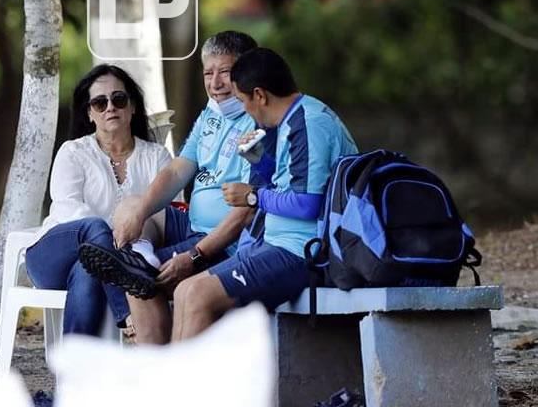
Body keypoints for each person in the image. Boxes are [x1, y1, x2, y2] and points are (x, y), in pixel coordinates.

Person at [77, 31, 259, 345]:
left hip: (224, 241)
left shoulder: (257, 121)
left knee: (138, 278)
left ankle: (154, 368)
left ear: (247, 72)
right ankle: (140, 255)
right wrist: (141, 212)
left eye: (225, 73)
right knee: (131, 208)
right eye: (208, 73)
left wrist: (194, 255)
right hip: (192, 225)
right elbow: (177, 169)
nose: (215, 83)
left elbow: (244, 214)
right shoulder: (212, 114)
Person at [171, 48, 358, 340]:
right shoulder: (288, 121)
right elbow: (288, 180)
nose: (244, 109)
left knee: (197, 295)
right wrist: (260, 159)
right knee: (184, 290)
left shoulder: (308, 123)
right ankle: (173, 387)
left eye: (243, 100)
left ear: (260, 95)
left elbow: (308, 204)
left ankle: (187, 387)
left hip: (302, 254)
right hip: (274, 245)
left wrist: (253, 197)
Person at [23, 64, 173, 338]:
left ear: (133, 107)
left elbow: (166, 214)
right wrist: (115, 235)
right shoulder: (73, 152)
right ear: (90, 114)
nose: (110, 108)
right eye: (99, 103)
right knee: (93, 228)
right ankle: (125, 312)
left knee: (89, 268)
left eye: (119, 99)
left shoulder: (158, 157)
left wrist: (118, 245)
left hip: (106, 261)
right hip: (53, 256)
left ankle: (72, 373)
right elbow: (68, 208)